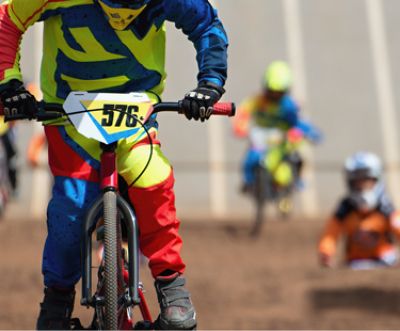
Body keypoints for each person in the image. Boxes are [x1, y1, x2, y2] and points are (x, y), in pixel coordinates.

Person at [0, 0, 228, 329]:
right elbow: (9, 19)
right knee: (71, 209)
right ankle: (57, 300)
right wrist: (9, 84)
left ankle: (172, 285)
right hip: (68, 115)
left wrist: (210, 83)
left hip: (135, 114)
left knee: (154, 180)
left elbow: (207, 25)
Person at [233, 60, 320, 193]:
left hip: (282, 141)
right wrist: (240, 126)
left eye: (278, 92)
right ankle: (248, 182)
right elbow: (243, 112)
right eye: (271, 91)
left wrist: (310, 132)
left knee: (297, 157)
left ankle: (297, 180)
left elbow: (298, 122)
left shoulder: (289, 105)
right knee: (249, 160)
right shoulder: (257, 100)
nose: (274, 95)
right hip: (261, 139)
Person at [318, 152, 400, 270]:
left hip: (385, 260)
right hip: (354, 262)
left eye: (366, 181)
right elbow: (331, 233)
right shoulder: (345, 207)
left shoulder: (385, 207)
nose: (362, 186)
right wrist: (326, 251)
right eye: (357, 182)